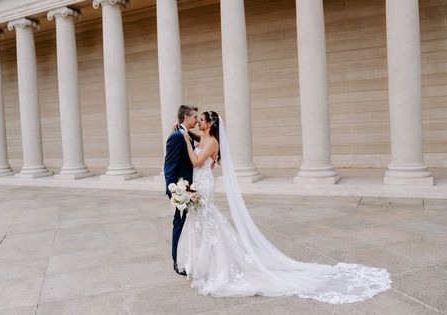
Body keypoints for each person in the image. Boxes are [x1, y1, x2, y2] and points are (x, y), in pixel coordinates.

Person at [175, 110, 391, 304]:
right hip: (200, 183)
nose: (199, 123)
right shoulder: (205, 137)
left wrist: (185, 139)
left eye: (201, 120)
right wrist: (186, 133)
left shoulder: (212, 141)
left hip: (204, 184)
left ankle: (217, 263)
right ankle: (204, 262)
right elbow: (198, 139)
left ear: (210, 124)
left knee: (209, 220)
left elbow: (195, 161)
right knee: (204, 221)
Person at [164, 104, 198, 276]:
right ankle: (177, 261)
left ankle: (188, 257)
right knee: (179, 222)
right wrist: (172, 190)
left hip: (192, 188)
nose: (197, 120)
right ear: (186, 117)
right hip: (181, 189)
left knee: (188, 224)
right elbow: (169, 164)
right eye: (194, 117)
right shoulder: (177, 136)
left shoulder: (185, 134)